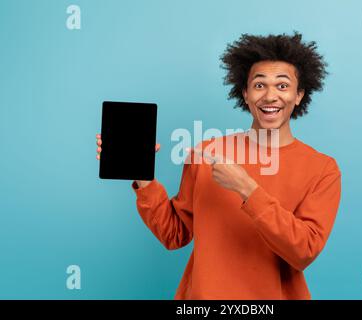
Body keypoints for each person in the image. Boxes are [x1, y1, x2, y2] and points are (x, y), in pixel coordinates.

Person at [95, 32, 341, 299]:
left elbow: (303, 250)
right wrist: (142, 178)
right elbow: (174, 234)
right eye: (259, 85)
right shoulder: (207, 153)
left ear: (299, 95)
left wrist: (247, 189)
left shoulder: (322, 169)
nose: (270, 96)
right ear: (245, 94)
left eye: (283, 86)